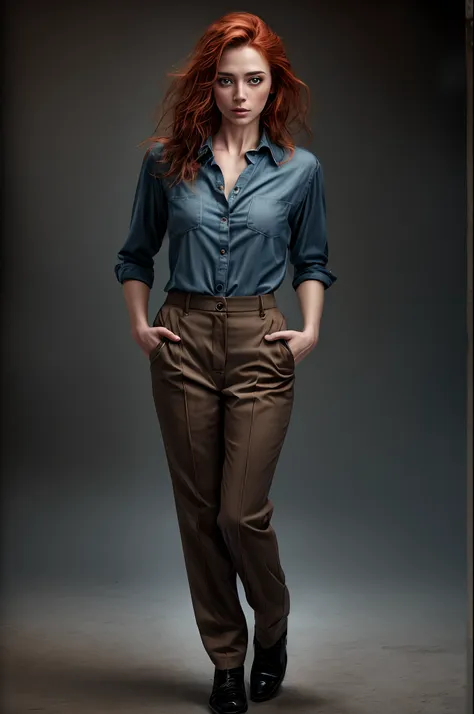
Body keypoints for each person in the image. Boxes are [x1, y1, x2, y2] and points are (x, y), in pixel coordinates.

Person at [114, 11, 337, 714]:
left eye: (254, 80)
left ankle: (272, 629)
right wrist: (141, 327)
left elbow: (313, 259)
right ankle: (226, 661)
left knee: (242, 512)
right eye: (226, 79)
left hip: (260, 338)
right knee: (200, 512)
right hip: (181, 338)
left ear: (275, 88)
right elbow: (134, 254)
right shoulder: (164, 162)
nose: (240, 93)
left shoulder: (300, 171)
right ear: (208, 85)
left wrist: (309, 330)